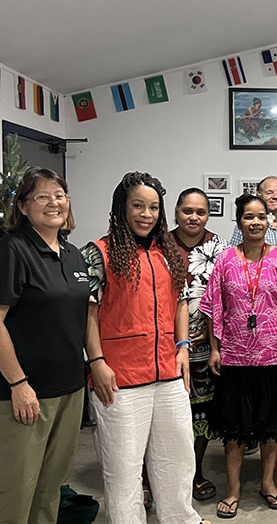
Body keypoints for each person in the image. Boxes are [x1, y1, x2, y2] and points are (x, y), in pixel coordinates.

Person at [82, 171, 208, 523]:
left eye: (153, 207)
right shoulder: (99, 254)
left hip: (168, 374)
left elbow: (181, 301)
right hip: (120, 379)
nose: (146, 214)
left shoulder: (169, 251)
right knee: (124, 468)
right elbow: (87, 313)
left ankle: (181, 518)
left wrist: (182, 347)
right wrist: (97, 362)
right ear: (122, 207)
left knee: (177, 458)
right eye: (138, 205)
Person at [200, 194, 277, 518]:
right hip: (234, 356)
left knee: (269, 427)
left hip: (273, 354)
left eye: (261, 216)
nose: (256, 222)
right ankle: (233, 489)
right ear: (239, 222)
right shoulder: (225, 260)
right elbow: (212, 306)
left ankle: (267, 483)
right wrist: (216, 348)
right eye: (249, 217)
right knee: (234, 429)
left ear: (269, 221)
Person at [0, 169, 89, 524]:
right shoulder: (13, 249)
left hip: (70, 388)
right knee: (16, 490)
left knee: (51, 487)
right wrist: (18, 384)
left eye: (60, 195)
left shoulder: (72, 254)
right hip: (26, 393)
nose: (54, 202)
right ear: (22, 206)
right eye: (42, 196)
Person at [170, 187, 228, 501]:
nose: (194, 217)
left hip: (206, 346)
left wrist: (211, 332)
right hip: (165, 347)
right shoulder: (160, 245)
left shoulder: (219, 248)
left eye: (200, 212)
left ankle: (195, 472)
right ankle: (161, 476)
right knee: (168, 415)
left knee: (200, 414)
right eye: (187, 211)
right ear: (176, 211)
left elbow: (225, 296)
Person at [229, 176, 277, 249]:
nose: (275, 197)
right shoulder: (247, 226)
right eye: (269, 192)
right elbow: (234, 255)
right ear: (259, 196)